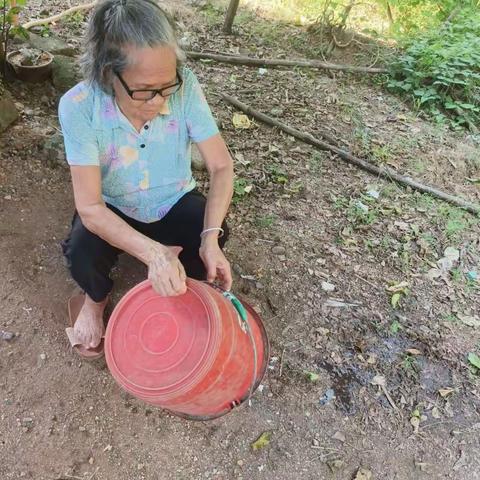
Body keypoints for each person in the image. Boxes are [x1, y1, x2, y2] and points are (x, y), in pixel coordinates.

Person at [59, 0, 234, 356]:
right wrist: (152, 254)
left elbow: (221, 167)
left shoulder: (186, 88)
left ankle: (180, 283)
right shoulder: (78, 106)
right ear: (108, 74)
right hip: (113, 206)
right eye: (145, 90)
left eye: (167, 86)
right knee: (83, 251)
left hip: (172, 199)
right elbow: (91, 207)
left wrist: (211, 238)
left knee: (208, 232)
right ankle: (95, 300)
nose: (158, 101)